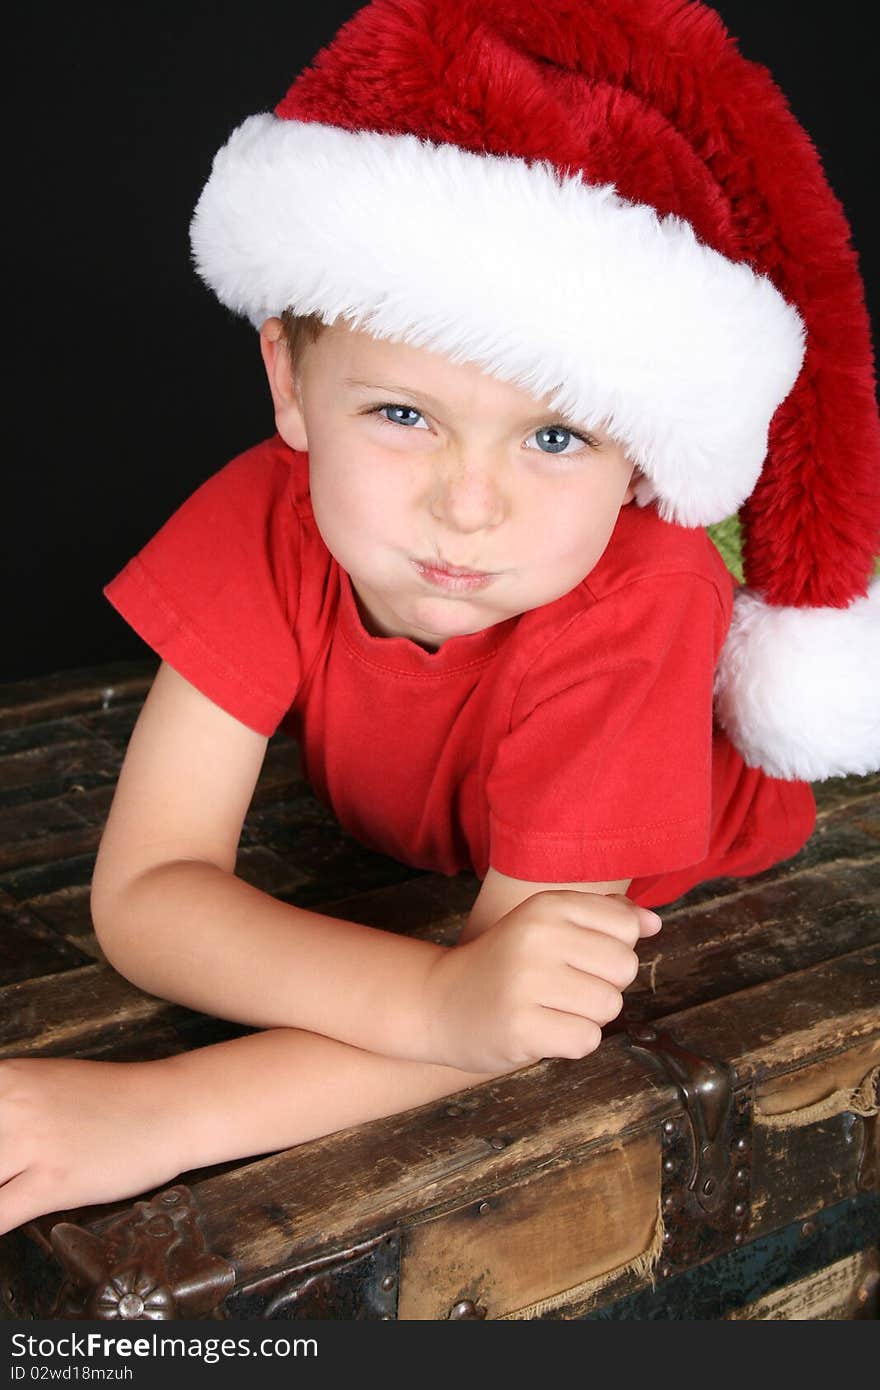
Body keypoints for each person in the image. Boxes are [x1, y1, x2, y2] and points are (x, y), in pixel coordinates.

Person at [1, 0, 877, 1239]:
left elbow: (524, 1008)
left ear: (636, 463)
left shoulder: (643, 595)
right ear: (289, 383)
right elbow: (147, 887)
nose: (468, 507)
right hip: (428, 866)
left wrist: (163, 1111)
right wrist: (438, 997)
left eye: (556, 435)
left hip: (643, 872)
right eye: (404, 415)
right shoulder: (269, 511)